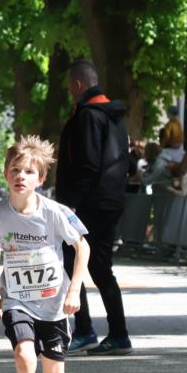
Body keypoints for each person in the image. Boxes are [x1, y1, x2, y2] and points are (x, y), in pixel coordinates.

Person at [0, 135, 90, 373]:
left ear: (40, 179)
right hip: (16, 298)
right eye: (15, 170)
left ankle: (54, 354)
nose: (20, 176)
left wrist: (74, 289)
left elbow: (82, 246)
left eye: (29, 172)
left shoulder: (55, 212)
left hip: (54, 302)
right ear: (5, 173)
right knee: (24, 357)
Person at [56, 59, 132, 356]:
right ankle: (100, 331)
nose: (68, 92)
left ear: (77, 84)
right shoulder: (113, 114)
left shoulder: (88, 115)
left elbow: (87, 163)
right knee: (95, 266)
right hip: (109, 199)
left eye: (68, 87)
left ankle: (103, 332)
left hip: (90, 202)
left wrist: (71, 203)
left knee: (85, 265)